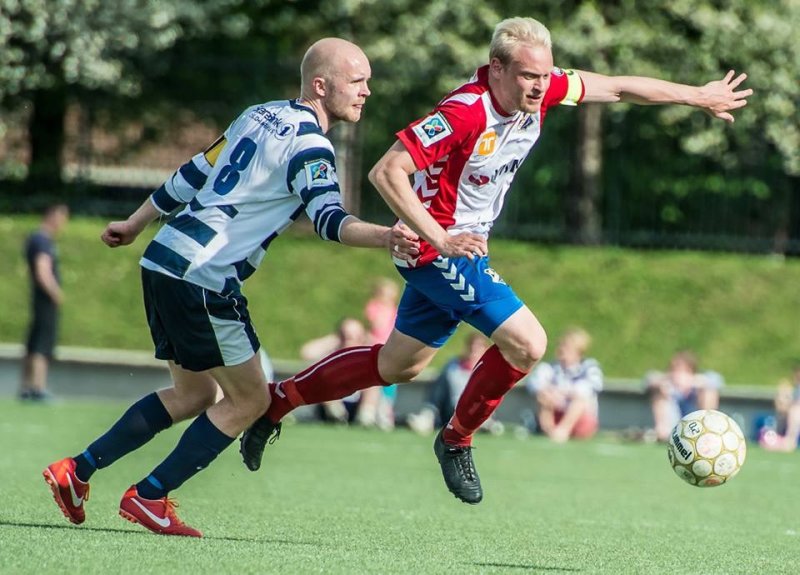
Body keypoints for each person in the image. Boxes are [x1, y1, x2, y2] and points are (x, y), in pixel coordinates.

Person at [240, 17, 751, 505]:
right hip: (435, 249)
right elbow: (385, 172)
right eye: (529, 76)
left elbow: (616, 87)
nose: (539, 87)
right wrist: (439, 239)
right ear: (498, 69)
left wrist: (697, 96)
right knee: (529, 343)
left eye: (545, 75)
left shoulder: (543, 90)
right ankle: (457, 440)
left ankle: (276, 401)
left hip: (461, 247)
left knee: (397, 365)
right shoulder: (465, 110)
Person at [42, 37, 419, 538]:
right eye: (358, 81)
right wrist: (389, 236)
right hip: (204, 277)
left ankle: (78, 470)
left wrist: (136, 223)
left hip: (164, 259)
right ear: (320, 85)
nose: (367, 91)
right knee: (251, 400)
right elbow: (329, 220)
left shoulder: (258, 114)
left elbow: (194, 172)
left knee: (194, 392)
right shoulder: (310, 144)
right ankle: (149, 495)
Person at [19, 203, 69, 402]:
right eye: (63, 218)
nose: (64, 223)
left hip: (38, 299)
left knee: (34, 340)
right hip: (45, 299)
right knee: (42, 341)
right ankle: (38, 387)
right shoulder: (43, 241)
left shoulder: (35, 238)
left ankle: (26, 386)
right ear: (52, 215)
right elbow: (42, 269)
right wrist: (55, 292)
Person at [407, 333, 499, 435]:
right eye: (472, 345)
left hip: (476, 410)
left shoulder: (487, 370)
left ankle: (485, 424)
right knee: (439, 388)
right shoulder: (453, 366)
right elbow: (440, 391)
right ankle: (427, 418)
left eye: (479, 346)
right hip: (451, 409)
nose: (474, 349)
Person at [524, 328, 602, 442]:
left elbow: (589, 388)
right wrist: (547, 392)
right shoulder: (550, 366)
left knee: (579, 400)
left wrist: (562, 393)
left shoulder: (589, 366)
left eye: (567, 347)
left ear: (578, 351)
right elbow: (534, 383)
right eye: (561, 346)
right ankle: (549, 431)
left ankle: (563, 430)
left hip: (580, 417)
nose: (562, 350)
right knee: (543, 395)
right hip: (555, 412)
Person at [300, 317, 371, 424]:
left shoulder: (365, 356)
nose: (350, 340)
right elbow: (307, 352)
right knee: (322, 373)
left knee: (374, 379)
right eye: (346, 336)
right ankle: (337, 414)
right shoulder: (333, 355)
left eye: (356, 336)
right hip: (331, 404)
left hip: (356, 405)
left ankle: (367, 416)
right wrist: (333, 340)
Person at [644, 350, 725, 442]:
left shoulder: (699, 382)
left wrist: (691, 381)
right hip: (673, 423)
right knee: (659, 396)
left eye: (683, 370)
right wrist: (665, 383)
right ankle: (663, 432)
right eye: (675, 369)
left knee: (709, 391)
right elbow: (649, 379)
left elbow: (717, 380)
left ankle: (707, 429)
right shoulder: (667, 384)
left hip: (695, 419)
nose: (678, 374)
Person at [359, 278, 401, 429]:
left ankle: (385, 411)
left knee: (390, 382)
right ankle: (367, 411)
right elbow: (377, 325)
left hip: (390, 348)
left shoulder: (396, 311)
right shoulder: (374, 307)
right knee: (373, 380)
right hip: (375, 347)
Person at [759, 365, 800, 452]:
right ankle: (782, 440)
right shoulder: (796, 389)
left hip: (795, 417)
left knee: (795, 411)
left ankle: (789, 441)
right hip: (787, 418)